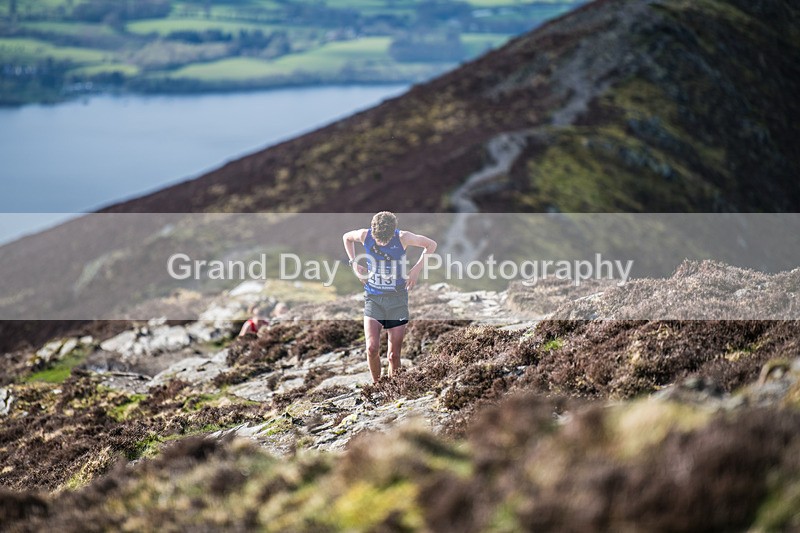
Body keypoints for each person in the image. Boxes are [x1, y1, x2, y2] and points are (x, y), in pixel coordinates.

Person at [342, 211, 437, 383]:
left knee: (393, 356)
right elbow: (346, 238)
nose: (382, 243)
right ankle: (377, 387)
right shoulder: (365, 235)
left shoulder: (403, 237)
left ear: (393, 231)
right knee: (371, 348)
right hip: (374, 298)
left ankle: (392, 391)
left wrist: (416, 270)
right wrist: (354, 264)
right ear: (373, 231)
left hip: (397, 300)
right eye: (379, 240)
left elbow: (431, 245)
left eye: (386, 240)